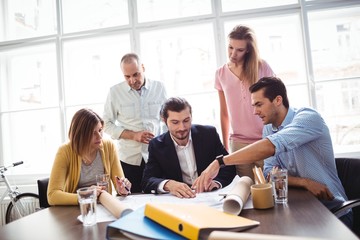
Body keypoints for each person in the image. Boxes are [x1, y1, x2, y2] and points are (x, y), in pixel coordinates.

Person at [193, 77, 352, 228]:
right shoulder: (268, 129)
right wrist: (304, 182)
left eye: (259, 104)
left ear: (277, 100)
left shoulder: (308, 117)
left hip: (334, 211)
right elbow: (269, 172)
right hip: (302, 210)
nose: (255, 111)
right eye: (254, 105)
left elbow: (270, 147)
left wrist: (220, 162)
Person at [141, 97, 236, 198]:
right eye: (175, 122)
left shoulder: (209, 134)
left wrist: (216, 183)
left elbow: (229, 167)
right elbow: (147, 181)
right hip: (179, 202)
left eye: (186, 120)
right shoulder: (156, 145)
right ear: (165, 121)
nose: (182, 127)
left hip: (210, 197)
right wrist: (169, 184)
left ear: (191, 116)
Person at [215, 25, 275, 180]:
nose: (233, 54)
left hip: (265, 140)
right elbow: (224, 112)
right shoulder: (220, 73)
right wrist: (225, 145)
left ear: (248, 50)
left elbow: (276, 103)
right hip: (238, 143)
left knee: (270, 189)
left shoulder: (262, 67)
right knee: (245, 190)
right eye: (230, 47)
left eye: (239, 50)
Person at [103, 53, 167, 193]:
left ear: (143, 68)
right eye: (127, 76)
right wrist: (133, 135)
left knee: (160, 198)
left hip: (156, 157)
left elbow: (167, 121)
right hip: (129, 160)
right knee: (131, 201)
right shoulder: (114, 92)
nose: (132, 80)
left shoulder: (160, 88)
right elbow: (105, 124)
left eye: (136, 74)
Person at [48, 108, 131, 205]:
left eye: (100, 130)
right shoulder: (65, 151)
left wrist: (123, 189)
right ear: (80, 135)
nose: (99, 136)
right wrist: (85, 195)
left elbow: (119, 183)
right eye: (93, 133)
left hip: (105, 206)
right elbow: (52, 196)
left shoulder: (109, 146)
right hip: (76, 209)